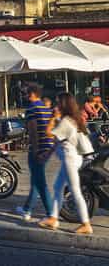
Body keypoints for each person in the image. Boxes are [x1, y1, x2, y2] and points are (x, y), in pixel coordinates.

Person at [41, 92, 93, 235]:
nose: (56, 105)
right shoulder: (72, 119)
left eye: (58, 103)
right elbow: (58, 141)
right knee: (58, 187)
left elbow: (49, 133)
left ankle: (86, 224)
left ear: (64, 105)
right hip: (71, 158)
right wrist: (48, 154)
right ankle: (53, 218)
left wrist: (52, 118)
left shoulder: (66, 121)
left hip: (70, 159)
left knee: (75, 191)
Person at [16, 83, 55, 223]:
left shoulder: (31, 109)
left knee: (40, 182)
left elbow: (32, 131)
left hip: (38, 147)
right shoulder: (45, 108)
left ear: (32, 94)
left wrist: (35, 150)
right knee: (36, 180)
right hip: (47, 146)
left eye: (26, 93)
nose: (25, 96)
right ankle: (27, 209)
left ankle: (51, 214)